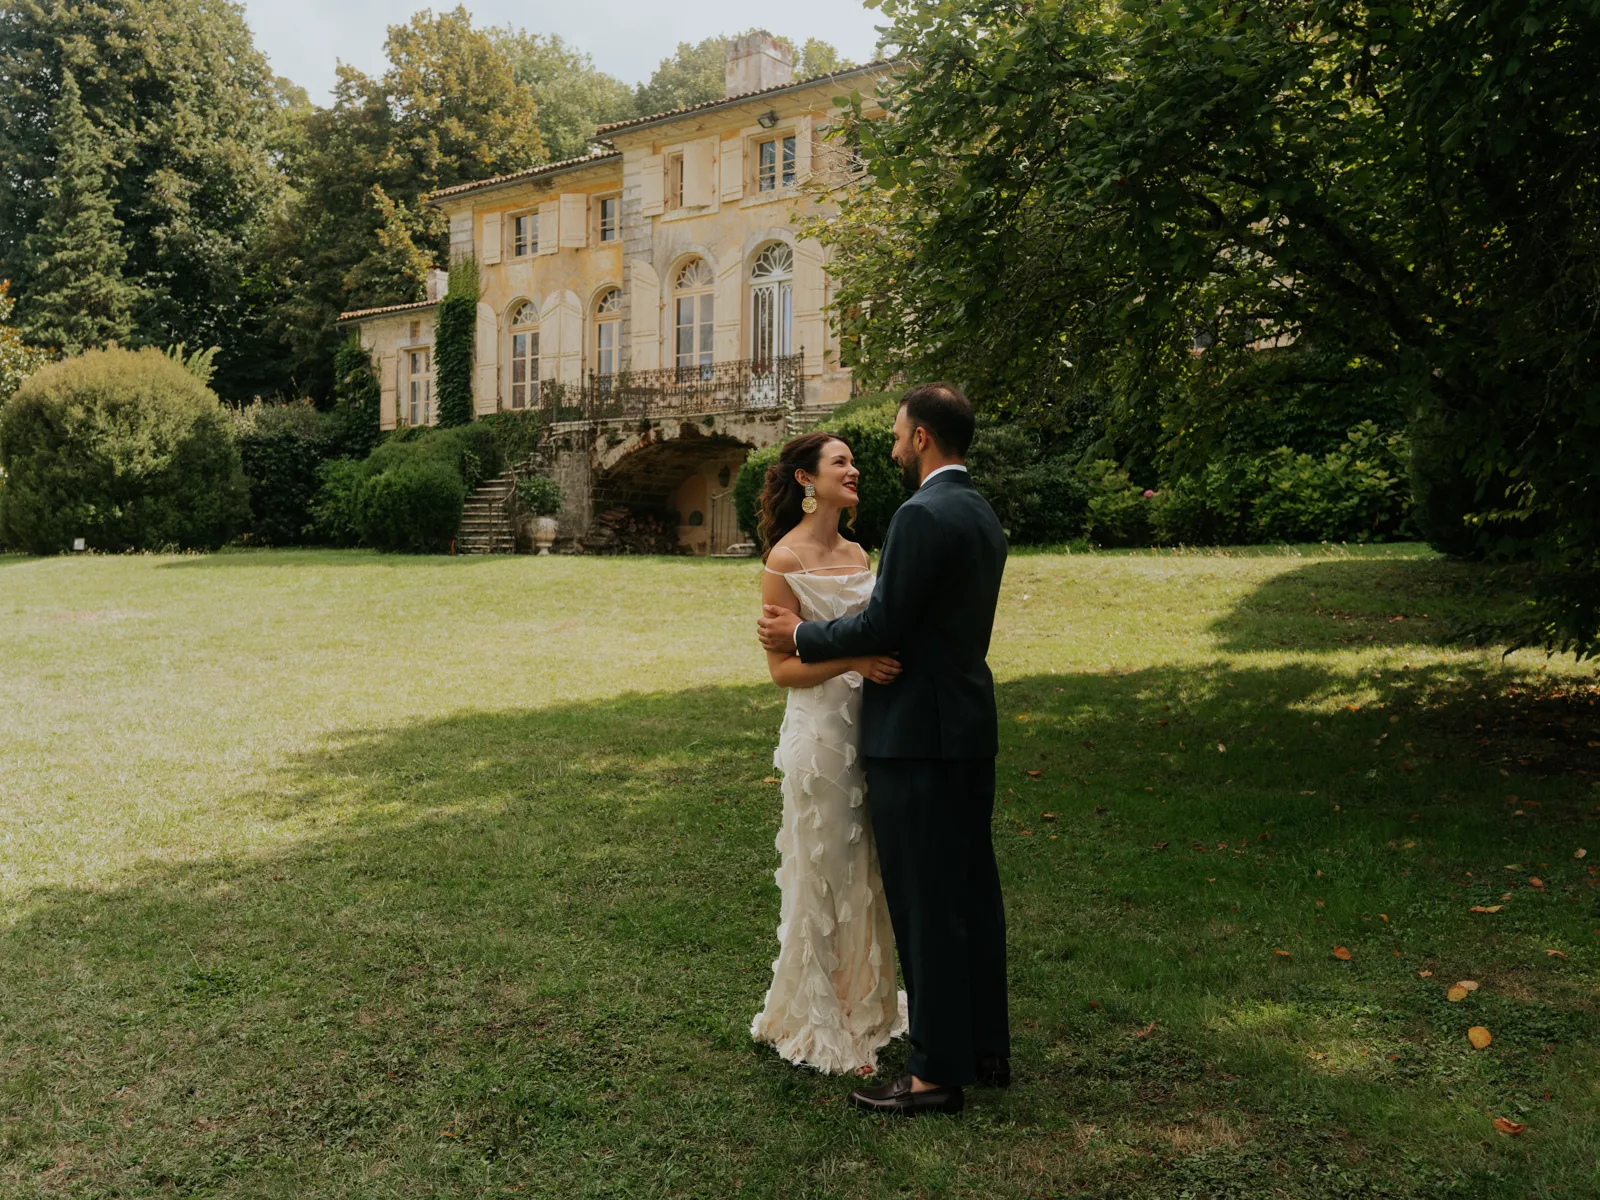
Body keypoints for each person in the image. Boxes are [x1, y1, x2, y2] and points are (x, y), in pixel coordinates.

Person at [757, 383, 1010, 1117]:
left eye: (899, 436)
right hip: (966, 727)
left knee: (927, 904)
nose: (892, 449)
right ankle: (984, 1046)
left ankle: (934, 1075)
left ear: (924, 438)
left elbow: (886, 623)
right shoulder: (981, 513)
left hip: (915, 738)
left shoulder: (921, 514)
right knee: (972, 894)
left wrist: (801, 635)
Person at [749, 430, 908, 1076]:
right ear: (808, 480)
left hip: (870, 732)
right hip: (819, 740)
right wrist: (853, 661)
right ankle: (820, 1022)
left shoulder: (858, 551)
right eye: (840, 461)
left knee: (864, 872)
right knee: (823, 870)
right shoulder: (782, 563)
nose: (856, 468)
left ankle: (862, 1005)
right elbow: (781, 671)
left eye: (853, 460)